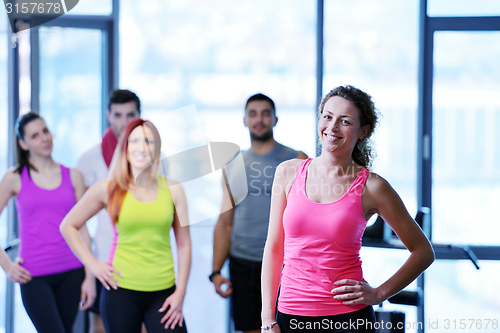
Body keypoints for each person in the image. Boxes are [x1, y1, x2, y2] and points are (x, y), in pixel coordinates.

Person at [261, 85, 435, 333]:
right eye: (327, 117)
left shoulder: (373, 187)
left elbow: (423, 251)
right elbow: (274, 247)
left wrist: (378, 293)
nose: (332, 128)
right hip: (291, 315)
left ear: (363, 131)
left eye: (345, 121)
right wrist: (268, 318)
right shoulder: (288, 172)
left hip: (349, 319)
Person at [61, 119, 191, 333]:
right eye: (135, 141)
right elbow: (68, 225)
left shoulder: (173, 189)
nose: (141, 147)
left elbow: (184, 243)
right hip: (120, 291)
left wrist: (180, 293)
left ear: (157, 148)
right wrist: (93, 264)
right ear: (125, 148)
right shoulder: (108, 188)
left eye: (148, 141)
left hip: (164, 292)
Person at [211, 93, 308, 333]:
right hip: (243, 264)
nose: (259, 119)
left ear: (276, 119)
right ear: (244, 120)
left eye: (266, 113)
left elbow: (310, 220)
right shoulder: (232, 165)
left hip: (286, 265)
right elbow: (225, 223)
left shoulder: (297, 160)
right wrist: (215, 271)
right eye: (253, 113)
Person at [0, 112, 95, 333]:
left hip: (72, 272)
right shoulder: (14, 177)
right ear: (23, 144)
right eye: (34, 136)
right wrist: (7, 267)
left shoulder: (74, 176)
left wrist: (89, 276)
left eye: (45, 131)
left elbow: (82, 228)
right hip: (34, 276)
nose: (44, 138)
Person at [77, 89, 141, 333]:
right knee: (101, 327)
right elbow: (77, 220)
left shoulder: (155, 158)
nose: (124, 121)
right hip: (104, 259)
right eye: (118, 115)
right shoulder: (90, 159)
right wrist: (89, 267)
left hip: (141, 260)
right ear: (108, 115)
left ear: (139, 115)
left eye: (130, 114)